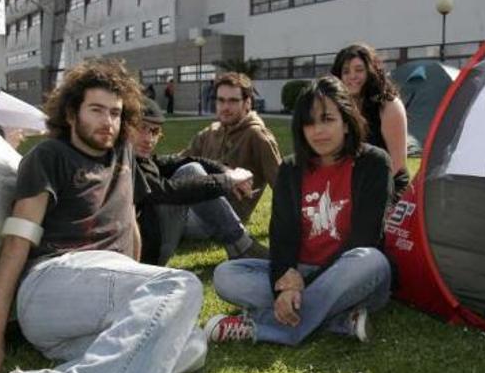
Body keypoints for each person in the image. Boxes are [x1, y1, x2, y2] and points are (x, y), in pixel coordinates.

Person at [0, 59, 207, 373]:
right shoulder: (48, 157)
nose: (108, 122)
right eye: (96, 110)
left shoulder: (123, 155)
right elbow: (16, 245)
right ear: (71, 112)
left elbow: (128, 224)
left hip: (103, 296)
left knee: (192, 345)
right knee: (181, 284)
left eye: (115, 113)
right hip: (51, 284)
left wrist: (137, 276)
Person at [207, 76, 392, 346]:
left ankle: (264, 327)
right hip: (299, 271)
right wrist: (286, 279)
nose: (318, 131)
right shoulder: (291, 169)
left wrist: (298, 288)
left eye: (327, 119)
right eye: (309, 123)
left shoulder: (374, 162)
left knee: (371, 259)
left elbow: (365, 237)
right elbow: (281, 236)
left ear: (346, 121)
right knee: (225, 275)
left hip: (349, 275)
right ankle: (338, 321)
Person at [133, 97, 268, 264]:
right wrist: (226, 180)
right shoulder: (124, 164)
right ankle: (242, 246)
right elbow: (167, 192)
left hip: (157, 230)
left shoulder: (141, 159)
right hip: (146, 256)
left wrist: (225, 170)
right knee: (190, 174)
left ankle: (241, 245)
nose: (148, 139)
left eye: (154, 132)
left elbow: (180, 160)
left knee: (191, 168)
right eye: (142, 128)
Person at [183, 72, 282, 222]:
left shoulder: (256, 135)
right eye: (221, 100)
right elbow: (179, 162)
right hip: (195, 204)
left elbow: (282, 186)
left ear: (247, 103)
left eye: (233, 101)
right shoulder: (211, 132)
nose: (225, 107)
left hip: (225, 218)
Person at [331, 43, 409, 203]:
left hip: (387, 183)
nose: (352, 76)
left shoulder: (389, 105)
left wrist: (360, 193)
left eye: (359, 70)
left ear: (370, 71)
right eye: (345, 71)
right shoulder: (338, 106)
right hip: (351, 183)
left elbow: (397, 163)